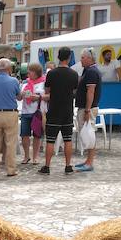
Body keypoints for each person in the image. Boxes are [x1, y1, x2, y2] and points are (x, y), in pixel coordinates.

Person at [40, 47, 79, 175]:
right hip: (67, 110)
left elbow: (47, 91)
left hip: (54, 109)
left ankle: (47, 166)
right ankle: (68, 166)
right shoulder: (74, 74)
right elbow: (74, 91)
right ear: (69, 58)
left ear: (58, 57)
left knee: (50, 140)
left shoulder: (52, 73)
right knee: (68, 139)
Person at [0, 58, 21, 177]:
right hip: (10, 113)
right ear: (8, 68)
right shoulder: (14, 81)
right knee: (10, 143)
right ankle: (11, 169)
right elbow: (19, 96)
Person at [74, 48, 102, 172]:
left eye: (83, 57)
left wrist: (87, 110)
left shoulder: (91, 72)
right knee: (85, 134)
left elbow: (91, 92)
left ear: (90, 58)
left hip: (88, 108)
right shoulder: (88, 70)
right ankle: (88, 160)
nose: (81, 60)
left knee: (89, 134)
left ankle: (90, 162)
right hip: (85, 107)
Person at [18, 63, 45, 165]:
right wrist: (22, 94)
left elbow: (46, 96)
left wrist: (37, 97)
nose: (28, 72)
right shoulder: (25, 83)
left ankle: (35, 157)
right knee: (24, 135)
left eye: (31, 70)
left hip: (37, 112)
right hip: (25, 112)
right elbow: (19, 98)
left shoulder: (43, 83)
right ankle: (26, 156)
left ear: (36, 72)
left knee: (37, 135)